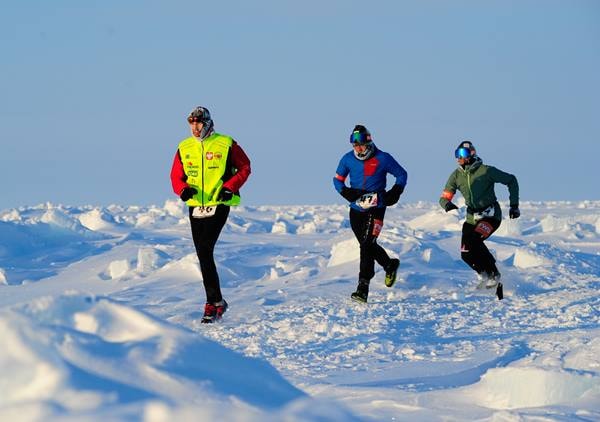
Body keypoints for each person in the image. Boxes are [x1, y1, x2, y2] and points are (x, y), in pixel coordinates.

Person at [170, 106, 251, 323]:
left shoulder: (226, 143)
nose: (195, 128)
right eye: (192, 123)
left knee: (205, 249)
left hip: (219, 203)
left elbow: (245, 167)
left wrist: (230, 187)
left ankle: (212, 303)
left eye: (199, 123)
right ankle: (216, 302)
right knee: (202, 253)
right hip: (196, 206)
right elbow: (175, 175)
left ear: (207, 123)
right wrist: (183, 189)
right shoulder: (184, 147)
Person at [333, 125, 408, 303]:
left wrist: (395, 192)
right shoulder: (347, 159)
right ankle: (390, 265)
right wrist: (345, 192)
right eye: (355, 144)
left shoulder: (383, 158)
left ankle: (363, 287)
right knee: (367, 244)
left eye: (361, 144)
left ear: (369, 141)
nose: (358, 148)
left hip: (377, 207)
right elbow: (337, 180)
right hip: (356, 209)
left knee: (366, 246)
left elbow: (402, 175)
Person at [439, 140, 519, 299]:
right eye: (457, 154)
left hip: (491, 216)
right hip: (471, 218)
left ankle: (494, 274)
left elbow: (511, 180)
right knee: (466, 253)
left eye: (462, 154)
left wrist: (514, 205)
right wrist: (447, 204)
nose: (459, 158)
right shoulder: (456, 175)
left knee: (475, 240)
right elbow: (444, 196)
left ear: (472, 154)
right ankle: (485, 275)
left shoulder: (486, 171)